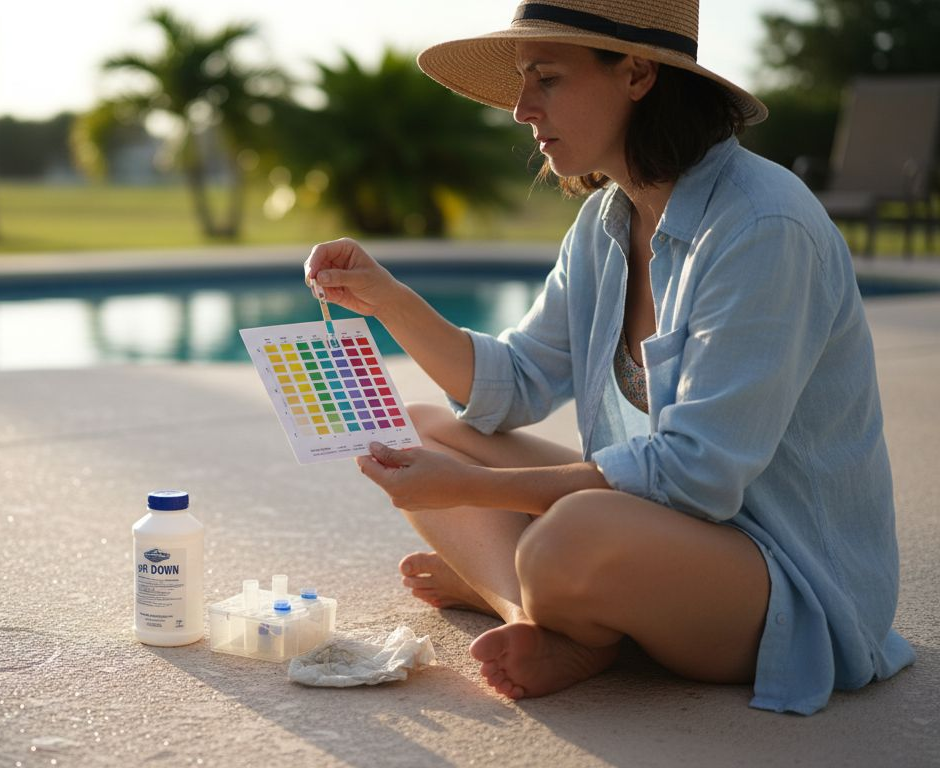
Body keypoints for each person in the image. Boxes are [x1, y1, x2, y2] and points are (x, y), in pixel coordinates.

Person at [302, 0, 914, 715]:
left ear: (637, 73)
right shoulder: (606, 223)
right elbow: (515, 383)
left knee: (567, 537)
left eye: (547, 79)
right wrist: (388, 300)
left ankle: (532, 590)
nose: (521, 109)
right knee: (417, 428)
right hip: (650, 532)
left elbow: (697, 478)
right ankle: (537, 617)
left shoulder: (760, 227)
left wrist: (469, 487)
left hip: (780, 574)